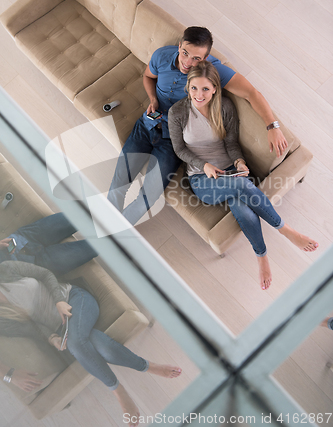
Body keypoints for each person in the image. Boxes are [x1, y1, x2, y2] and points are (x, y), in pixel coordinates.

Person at [107, 26, 288, 226]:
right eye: (185, 53)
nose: (188, 62)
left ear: (206, 58)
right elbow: (148, 76)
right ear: (179, 46)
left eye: (197, 58)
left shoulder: (210, 72)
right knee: (119, 183)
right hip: (146, 125)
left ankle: (111, 234)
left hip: (171, 142)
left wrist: (273, 127)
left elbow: (251, 93)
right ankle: (103, 223)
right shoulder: (161, 56)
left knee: (147, 197)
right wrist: (153, 99)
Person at [168, 61, 318, 290]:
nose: (199, 95)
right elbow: (179, 149)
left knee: (242, 210)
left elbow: (230, 142)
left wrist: (238, 162)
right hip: (202, 179)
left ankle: (262, 256)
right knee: (240, 187)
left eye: (205, 89)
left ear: (215, 89)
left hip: (229, 170)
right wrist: (204, 165)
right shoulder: (177, 112)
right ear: (187, 87)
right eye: (194, 88)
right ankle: (285, 230)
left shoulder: (225, 107)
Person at [0, 261, 182, 424]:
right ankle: (147, 366)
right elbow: (33, 328)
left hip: (74, 299)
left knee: (76, 344)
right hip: (62, 330)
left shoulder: (6, 269)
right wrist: (53, 338)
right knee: (99, 344)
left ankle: (119, 392)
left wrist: (59, 301)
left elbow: (45, 274)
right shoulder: (3, 319)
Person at [0, 213, 97, 276]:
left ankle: (111, 199)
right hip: (36, 267)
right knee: (97, 246)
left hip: (24, 238)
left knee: (81, 212)